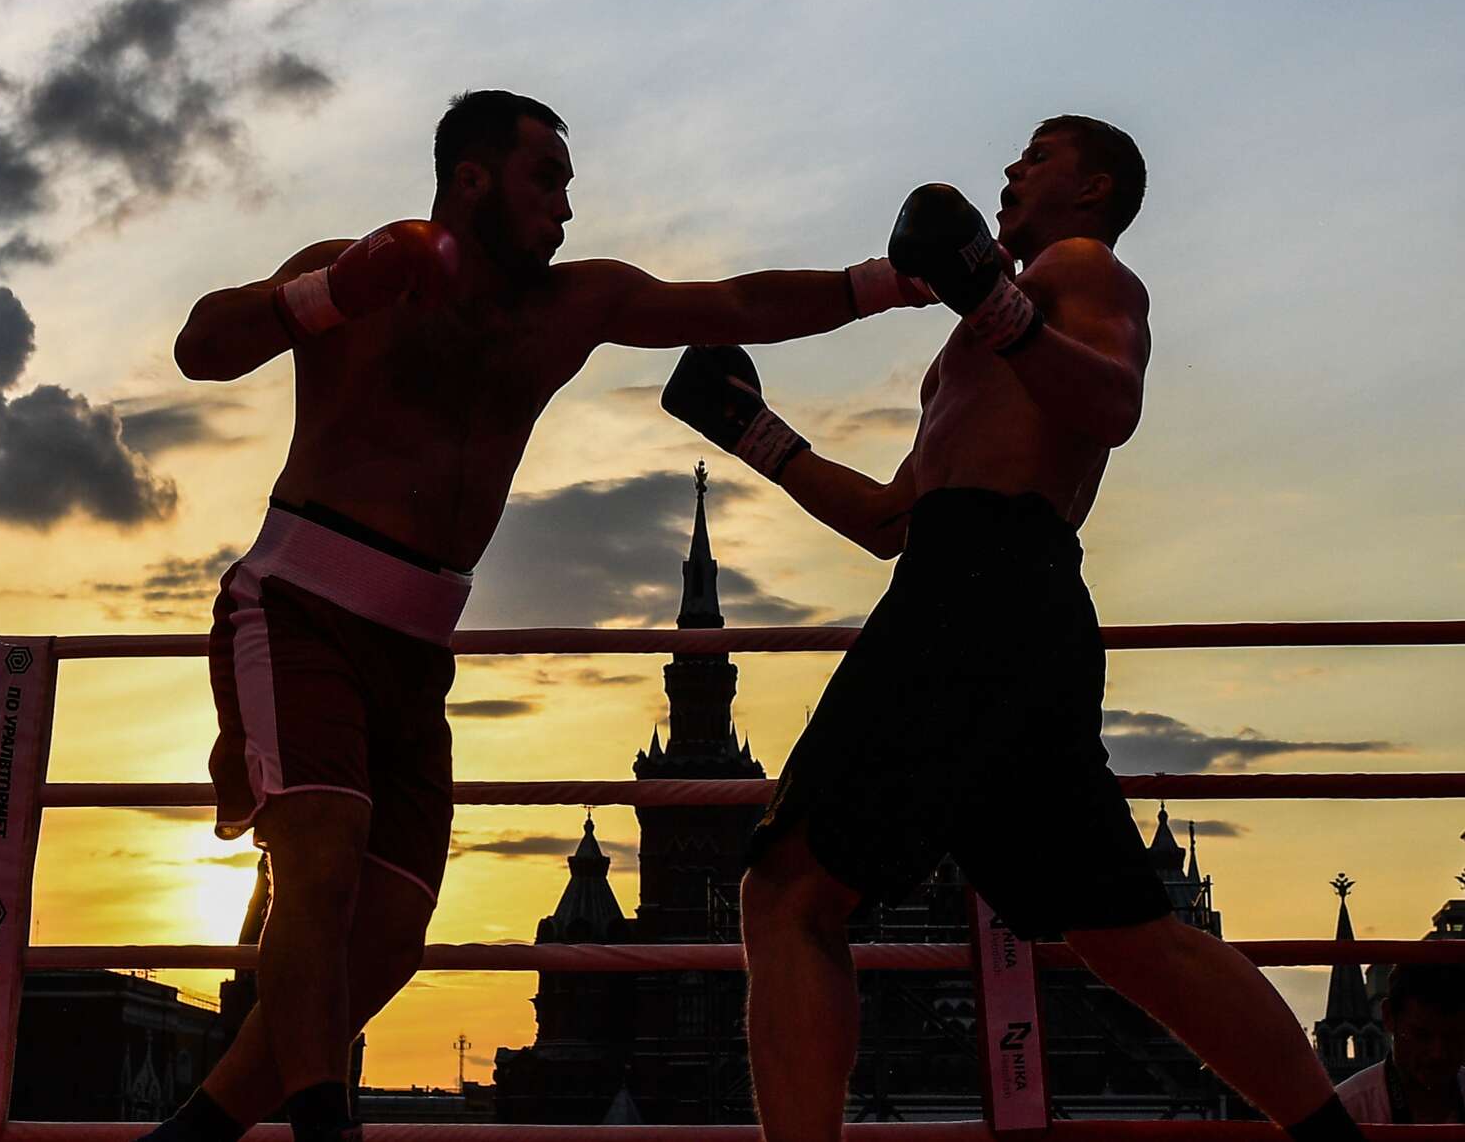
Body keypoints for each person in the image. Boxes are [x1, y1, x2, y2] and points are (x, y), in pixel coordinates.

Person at [153, 89, 935, 1142]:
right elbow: (201, 345)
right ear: (471, 179)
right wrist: (330, 292)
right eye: (547, 181)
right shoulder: (357, 268)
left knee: (386, 936)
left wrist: (890, 283)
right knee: (322, 856)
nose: (566, 208)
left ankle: (191, 1132)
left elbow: (733, 309)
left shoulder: (570, 304)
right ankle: (323, 1133)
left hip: (417, 651)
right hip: (300, 607)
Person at [666, 115, 1369, 1142]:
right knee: (1125, 934)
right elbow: (886, 520)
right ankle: (1327, 1134)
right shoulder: (973, 339)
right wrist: (752, 432)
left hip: (975, 593)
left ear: (1091, 193)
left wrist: (996, 304)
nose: (1009, 166)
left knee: (788, 892)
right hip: (991, 590)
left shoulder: (1085, 270)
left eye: (1037, 156)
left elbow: (1112, 403)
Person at [1339, 963, 1465, 1124]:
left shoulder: (1348, 1107)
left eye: (1453, 1036)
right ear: (1388, 1016)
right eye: (1421, 1035)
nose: (1438, 1053)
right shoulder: (1345, 1111)